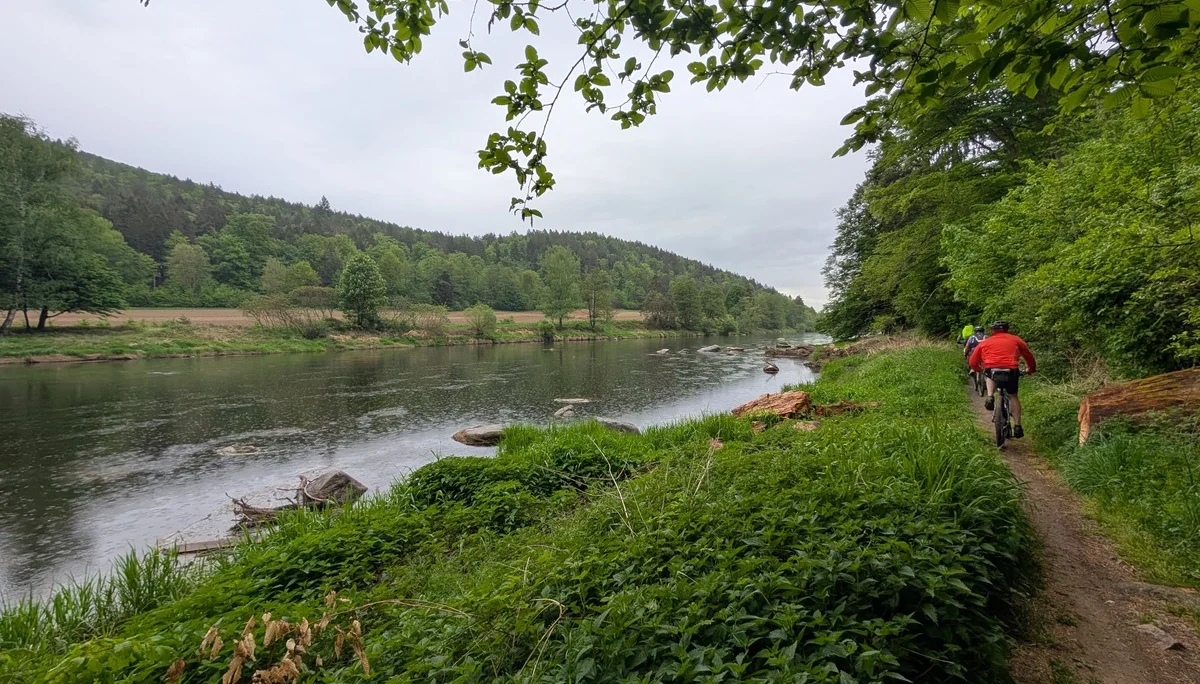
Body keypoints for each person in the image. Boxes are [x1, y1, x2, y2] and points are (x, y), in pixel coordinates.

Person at [969, 321, 1036, 439]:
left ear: (992, 331)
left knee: (988, 373)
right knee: (1013, 395)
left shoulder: (986, 342)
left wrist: (978, 369)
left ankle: (990, 396)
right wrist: (1030, 369)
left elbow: (973, 361)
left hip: (992, 369)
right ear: (1007, 329)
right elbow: (1029, 356)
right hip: (1011, 370)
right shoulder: (1016, 340)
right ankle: (1017, 426)